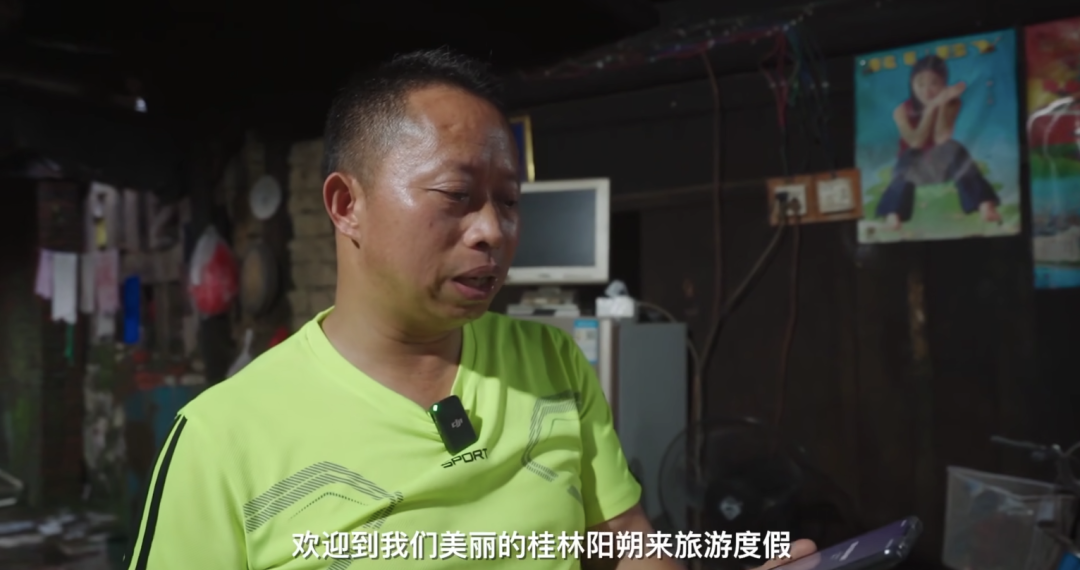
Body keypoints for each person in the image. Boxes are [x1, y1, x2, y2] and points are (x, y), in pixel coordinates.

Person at [125, 48, 818, 569]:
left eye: (509, 201)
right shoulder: (220, 438)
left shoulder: (551, 363)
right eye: (457, 196)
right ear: (345, 204)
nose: (493, 230)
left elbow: (629, 548)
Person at [875, 54, 1001, 231]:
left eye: (934, 83)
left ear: (944, 83)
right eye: (920, 84)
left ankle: (985, 206)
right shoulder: (901, 111)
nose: (927, 90)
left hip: (944, 167)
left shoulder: (952, 103)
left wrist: (942, 105)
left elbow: (942, 138)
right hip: (914, 171)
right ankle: (893, 216)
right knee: (909, 156)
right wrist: (931, 108)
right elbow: (915, 142)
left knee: (953, 147)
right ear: (912, 85)